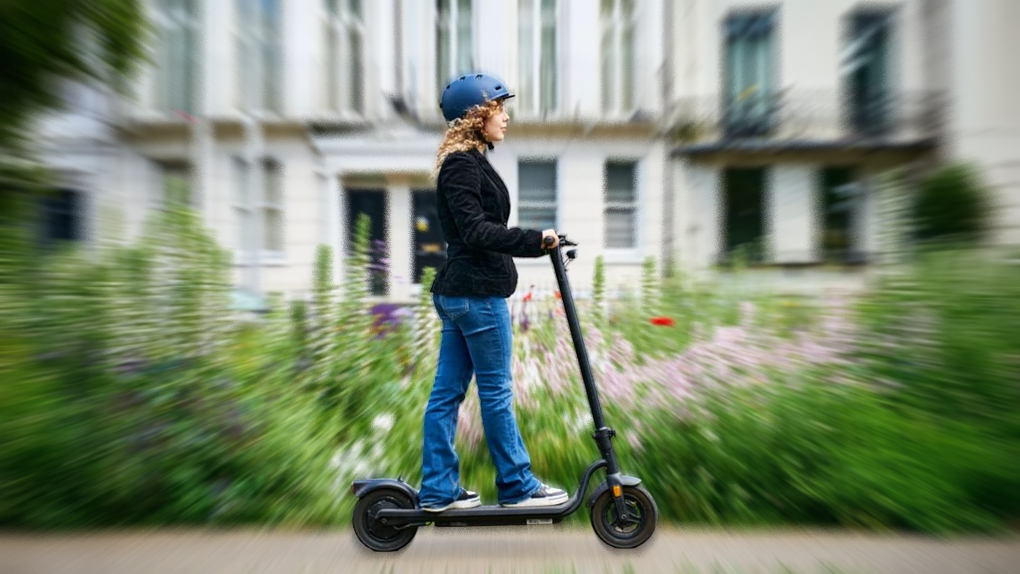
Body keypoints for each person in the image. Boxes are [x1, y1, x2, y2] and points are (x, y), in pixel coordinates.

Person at [419, 73, 568, 512]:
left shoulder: (467, 161)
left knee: (447, 394)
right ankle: (518, 484)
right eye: (498, 108)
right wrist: (534, 240)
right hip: (476, 295)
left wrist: (535, 243)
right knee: (497, 391)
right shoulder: (462, 165)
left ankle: (438, 490)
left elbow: (478, 229)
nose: (506, 116)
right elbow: (477, 231)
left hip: (464, 293)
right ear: (475, 116)